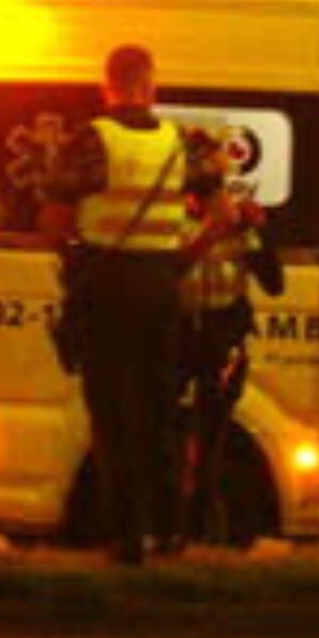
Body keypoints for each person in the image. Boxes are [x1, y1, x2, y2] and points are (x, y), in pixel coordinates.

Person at [44, 43, 192, 565]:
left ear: (107, 85)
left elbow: (57, 219)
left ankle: (126, 537)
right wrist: (177, 259)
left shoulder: (92, 139)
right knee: (159, 415)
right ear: (150, 86)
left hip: (107, 285)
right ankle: (171, 531)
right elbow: (218, 213)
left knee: (112, 417)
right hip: (160, 288)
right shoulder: (180, 143)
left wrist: (74, 259)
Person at [172, 139, 284, 546]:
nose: (212, 193)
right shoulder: (167, 220)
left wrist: (260, 233)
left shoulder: (237, 222)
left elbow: (273, 284)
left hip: (221, 341)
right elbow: (165, 271)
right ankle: (171, 529)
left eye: (216, 182)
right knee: (169, 444)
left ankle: (204, 529)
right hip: (178, 341)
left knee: (212, 445)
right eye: (204, 182)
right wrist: (207, 236)